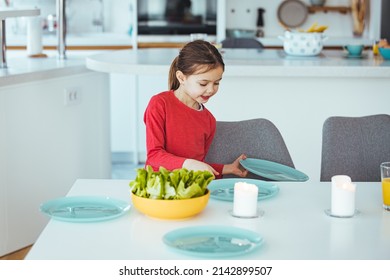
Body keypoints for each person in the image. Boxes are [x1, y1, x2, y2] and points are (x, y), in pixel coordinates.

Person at [143, 40, 247, 179]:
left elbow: (197, 166)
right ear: (181, 78)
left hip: (190, 188)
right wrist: (189, 164)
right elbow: (154, 156)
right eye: (203, 83)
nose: (211, 90)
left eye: (216, 83)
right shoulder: (159, 105)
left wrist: (227, 168)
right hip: (159, 187)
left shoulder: (209, 120)